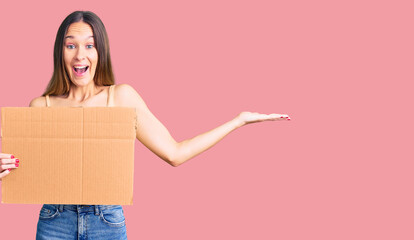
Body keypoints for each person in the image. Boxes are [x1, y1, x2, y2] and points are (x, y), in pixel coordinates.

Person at [0, 10, 290, 239]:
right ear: (60, 52)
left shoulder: (122, 97)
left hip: (106, 222)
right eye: (70, 45)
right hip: (54, 222)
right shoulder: (42, 106)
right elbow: (29, 174)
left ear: (100, 52)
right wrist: (5, 168)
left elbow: (175, 154)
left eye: (89, 45)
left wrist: (237, 121)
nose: (80, 55)